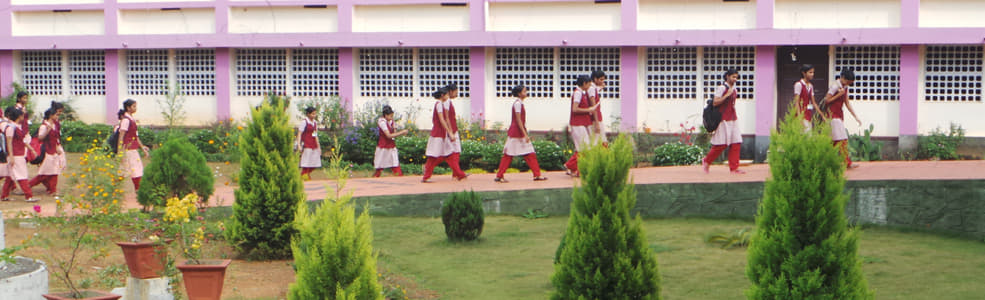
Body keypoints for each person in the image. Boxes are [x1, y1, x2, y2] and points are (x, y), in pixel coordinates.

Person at [495, 85, 547, 183]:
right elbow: (518, 120)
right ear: (519, 94)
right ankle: (500, 175)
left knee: (529, 153)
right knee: (509, 155)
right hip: (516, 133)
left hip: (518, 132)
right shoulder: (518, 104)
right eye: (524, 91)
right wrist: (525, 134)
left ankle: (537, 174)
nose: (526, 93)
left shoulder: (520, 103)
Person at [702, 69, 745, 174]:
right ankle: (707, 161)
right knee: (721, 144)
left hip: (733, 119)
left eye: (736, 77)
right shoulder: (722, 88)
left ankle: (734, 168)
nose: (735, 79)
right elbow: (715, 102)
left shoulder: (734, 89)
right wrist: (726, 95)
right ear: (727, 76)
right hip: (723, 119)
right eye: (733, 77)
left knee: (736, 142)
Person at [422, 88, 467, 182]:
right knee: (434, 156)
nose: (448, 96)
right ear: (442, 95)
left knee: (449, 155)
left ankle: (459, 174)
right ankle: (426, 176)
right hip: (438, 134)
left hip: (442, 133)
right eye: (447, 95)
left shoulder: (441, 104)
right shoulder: (439, 104)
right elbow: (442, 120)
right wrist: (450, 132)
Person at [823, 68, 863, 169]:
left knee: (834, 140)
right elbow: (827, 100)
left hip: (838, 115)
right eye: (848, 82)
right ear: (843, 78)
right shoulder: (835, 86)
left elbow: (847, 103)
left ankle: (828, 161)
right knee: (842, 139)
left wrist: (855, 116)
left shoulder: (844, 87)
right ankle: (846, 162)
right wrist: (839, 95)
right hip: (832, 115)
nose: (848, 84)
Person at [563, 75, 601, 177]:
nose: (589, 86)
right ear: (584, 83)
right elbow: (575, 109)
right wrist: (589, 110)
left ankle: (572, 166)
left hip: (580, 124)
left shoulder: (581, 93)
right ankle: (576, 168)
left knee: (583, 148)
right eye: (588, 84)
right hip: (577, 124)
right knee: (584, 148)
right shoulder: (578, 93)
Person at [28, 102, 66, 197]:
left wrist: (57, 146)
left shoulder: (54, 124)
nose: (57, 117)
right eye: (56, 115)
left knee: (54, 171)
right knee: (45, 173)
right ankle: (29, 186)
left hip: (53, 149)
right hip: (47, 150)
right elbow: (40, 138)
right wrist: (47, 131)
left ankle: (52, 189)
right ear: (51, 115)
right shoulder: (44, 126)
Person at [1, 107, 38, 202]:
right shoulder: (11, 128)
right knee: (21, 175)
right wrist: (11, 156)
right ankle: (28, 195)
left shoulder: (16, 127)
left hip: (18, 154)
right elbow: (9, 142)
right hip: (16, 155)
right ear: (19, 116)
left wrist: (31, 149)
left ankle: (4, 195)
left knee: (10, 176)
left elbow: (22, 141)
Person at [118, 99, 151, 191]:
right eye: (134, 106)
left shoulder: (131, 120)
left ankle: (114, 190)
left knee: (125, 170)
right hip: (129, 149)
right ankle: (138, 190)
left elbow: (135, 137)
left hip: (132, 149)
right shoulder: (126, 120)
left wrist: (142, 147)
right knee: (136, 170)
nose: (135, 108)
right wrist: (120, 151)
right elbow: (121, 136)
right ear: (128, 108)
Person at [373, 105, 408, 177]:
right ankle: (376, 177)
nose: (391, 118)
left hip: (391, 145)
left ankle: (399, 177)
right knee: (380, 166)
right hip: (383, 146)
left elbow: (393, 134)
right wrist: (401, 132)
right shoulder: (382, 122)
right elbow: (388, 135)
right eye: (390, 116)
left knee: (395, 164)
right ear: (385, 115)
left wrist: (394, 128)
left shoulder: (391, 121)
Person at [296, 106, 321, 181]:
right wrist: (299, 145)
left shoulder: (315, 123)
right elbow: (299, 134)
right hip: (306, 144)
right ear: (308, 114)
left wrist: (318, 146)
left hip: (314, 144)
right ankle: (304, 176)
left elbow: (315, 134)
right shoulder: (304, 122)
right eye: (312, 114)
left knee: (315, 162)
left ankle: (305, 175)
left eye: (315, 114)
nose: (314, 115)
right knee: (306, 162)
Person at [793, 64, 820, 130]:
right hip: (801, 115)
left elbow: (814, 102)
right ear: (804, 73)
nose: (812, 74)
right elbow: (796, 102)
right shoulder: (799, 84)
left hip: (808, 115)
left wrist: (822, 115)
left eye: (813, 72)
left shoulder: (811, 86)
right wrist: (799, 118)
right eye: (810, 72)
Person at [587, 70, 608, 145]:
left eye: (603, 79)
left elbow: (597, 89)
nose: (602, 81)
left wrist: (601, 87)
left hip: (597, 118)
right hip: (595, 119)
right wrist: (597, 123)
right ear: (595, 79)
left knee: (600, 140)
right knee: (599, 141)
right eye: (601, 79)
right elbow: (594, 106)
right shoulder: (591, 89)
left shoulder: (593, 88)